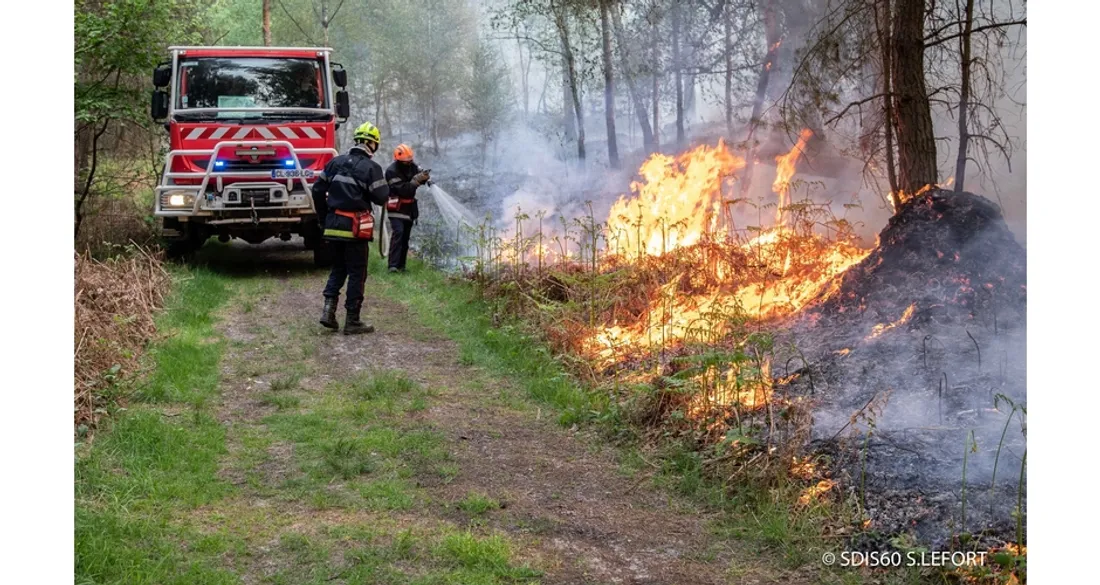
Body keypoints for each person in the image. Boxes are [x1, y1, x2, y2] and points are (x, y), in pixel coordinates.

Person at [311, 121, 391, 334]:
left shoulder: (335, 162)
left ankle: (328, 312)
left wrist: (323, 218)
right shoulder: (372, 168)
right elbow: (382, 197)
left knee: (338, 268)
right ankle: (352, 320)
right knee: (357, 272)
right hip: (355, 229)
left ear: (356, 141)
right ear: (372, 145)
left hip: (333, 225)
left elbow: (317, 190)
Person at [384, 144, 430, 273]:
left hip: (409, 208)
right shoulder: (391, 171)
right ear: (398, 160)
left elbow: (420, 172)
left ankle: (401, 266)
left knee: (405, 237)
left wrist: (426, 178)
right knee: (398, 233)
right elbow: (404, 190)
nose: (408, 164)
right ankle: (392, 265)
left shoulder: (412, 165)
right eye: (405, 162)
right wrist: (416, 181)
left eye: (410, 161)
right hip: (396, 207)